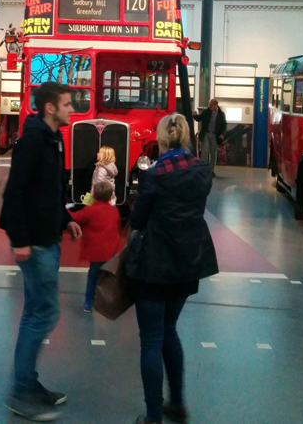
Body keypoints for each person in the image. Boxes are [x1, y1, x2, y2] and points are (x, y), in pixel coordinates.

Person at [126, 113, 219, 424]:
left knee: (151, 338)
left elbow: (137, 220)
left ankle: (153, 416)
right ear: (188, 138)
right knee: (169, 330)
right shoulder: (202, 171)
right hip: (187, 263)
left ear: (161, 140)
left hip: (154, 265)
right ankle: (177, 403)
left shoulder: (154, 175)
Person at [0, 81, 83, 421]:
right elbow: (15, 191)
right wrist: (19, 240)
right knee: (44, 313)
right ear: (50, 107)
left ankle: (28, 384)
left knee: (36, 311)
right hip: (33, 242)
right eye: (67, 104)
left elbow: (48, 189)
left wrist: (66, 218)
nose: (72, 109)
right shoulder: (34, 139)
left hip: (47, 237)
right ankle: (21, 392)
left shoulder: (53, 138)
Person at [72, 180, 121, 313]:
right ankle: (110, 302)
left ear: (93, 195)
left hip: (96, 252)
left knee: (93, 276)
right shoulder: (114, 211)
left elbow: (75, 218)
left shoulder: (90, 210)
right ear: (111, 196)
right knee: (108, 277)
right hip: (111, 251)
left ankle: (88, 302)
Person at [195, 99, 226, 176]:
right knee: (205, 151)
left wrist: (222, 134)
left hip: (215, 135)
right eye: (209, 105)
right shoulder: (206, 112)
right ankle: (204, 167)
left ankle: (211, 168)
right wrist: (195, 115)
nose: (210, 106)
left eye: (211, 105)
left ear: (216, 105)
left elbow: (224, 125)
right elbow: (199, 118)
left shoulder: (221, 114)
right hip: (206, 133)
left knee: (213, 152)